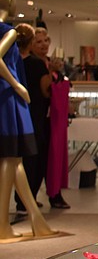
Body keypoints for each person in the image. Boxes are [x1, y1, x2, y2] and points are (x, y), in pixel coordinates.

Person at [0, 0, 56, 239]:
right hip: (10, 98)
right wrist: (17, 85)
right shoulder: (9, 31)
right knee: (11, 158)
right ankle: (3, 224)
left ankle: (35, 219)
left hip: (8, 98)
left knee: (16, 160)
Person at [14, 24, 51, 215]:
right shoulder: (36, 65)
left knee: (20, 158)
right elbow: (46, 91)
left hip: (18, 115)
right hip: (35, 115)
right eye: (38, 41)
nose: (43, 45)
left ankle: (22, 200)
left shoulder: (13, 62)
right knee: (35, 159)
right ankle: (26, 200)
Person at [46, 36, 71, 209]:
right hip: (48, 120)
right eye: (38, 42)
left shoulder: (53, 71)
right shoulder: (42, 68)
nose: (44, 45)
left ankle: (55, 193)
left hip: (57, 120)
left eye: (45, 41)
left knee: (57, 156)